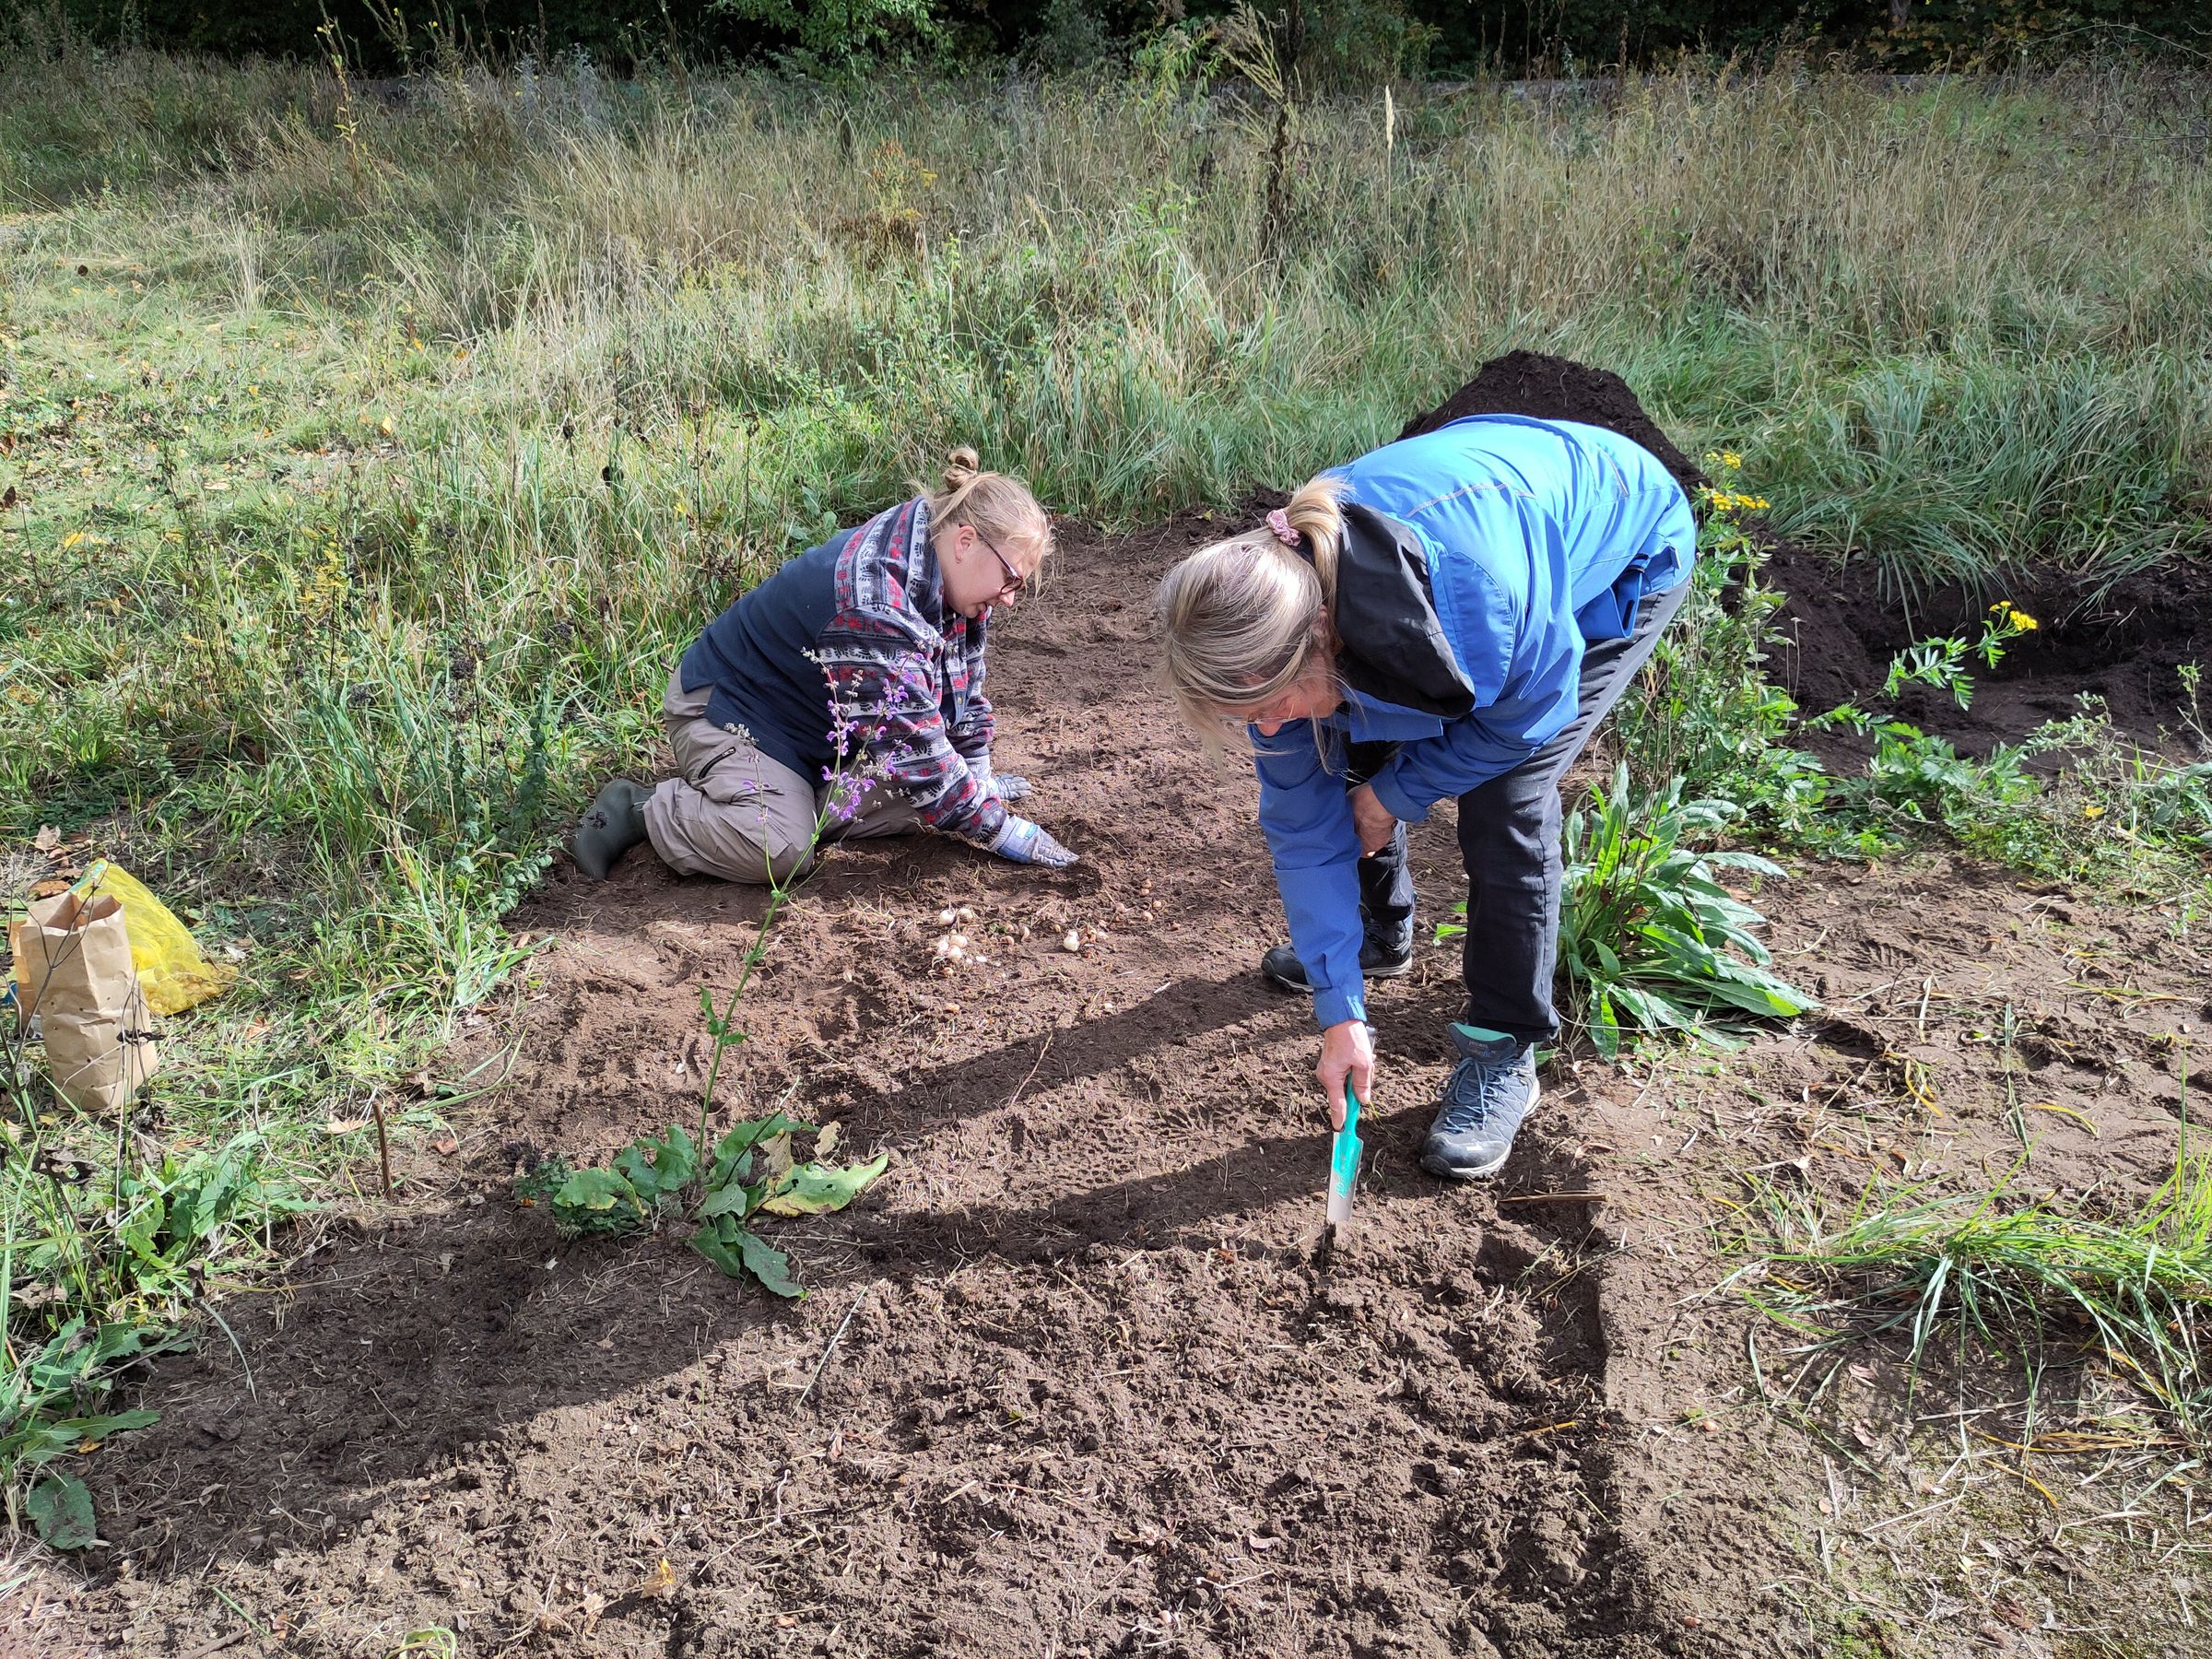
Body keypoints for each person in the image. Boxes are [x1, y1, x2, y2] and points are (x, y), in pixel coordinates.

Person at [1155, 414, 1696, 1180]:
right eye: (1251, 717)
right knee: (1334, 739)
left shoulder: (1477, 597)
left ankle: (1506, 1049)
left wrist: (1395, 794)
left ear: (1319, 634)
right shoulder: (1268, 631)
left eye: (1269, 703)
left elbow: (1527, 716)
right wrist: (1340, 1013)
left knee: (1505, 798)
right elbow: (1304, 832)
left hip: (1620, 545)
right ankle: (1380, 937)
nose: (1264, 728)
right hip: (1441, 580)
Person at [573, 448, 1077, 885]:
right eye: (1011, 579)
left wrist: (976, 772)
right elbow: (918, 743)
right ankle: (642, 810)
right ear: (967, 542)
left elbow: (958, 688)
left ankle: (784, 800)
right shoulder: (875, 603)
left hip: (817, 731)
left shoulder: (943, 559)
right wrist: (1002, 828)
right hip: (730, 712)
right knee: (782, 851)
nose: (1010, 599)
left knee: (931, 800)